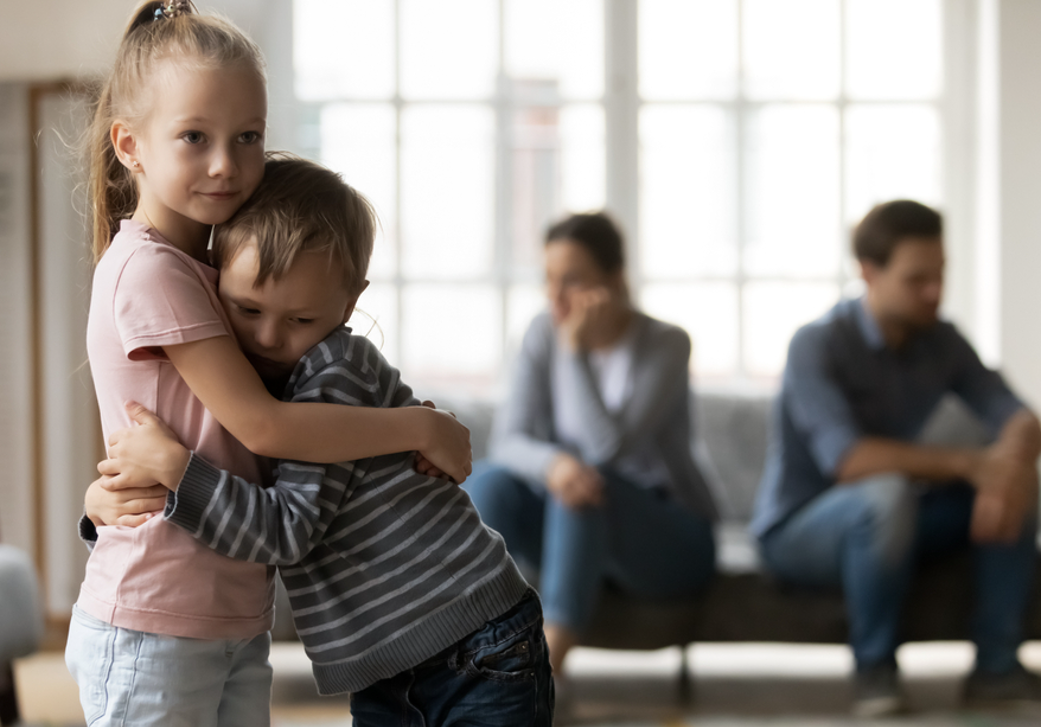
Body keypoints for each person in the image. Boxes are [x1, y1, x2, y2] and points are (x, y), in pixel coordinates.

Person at [69, 3, 470, 725]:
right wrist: (415, 427)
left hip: (227, 613)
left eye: (248, 136)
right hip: (156, 615)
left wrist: (95, 512)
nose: (227, 163)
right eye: (195, 136)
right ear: (129, 144)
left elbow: (203, 430)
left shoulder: (215, 267)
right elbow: (263, 426)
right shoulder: (152, 270)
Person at [84, 155, 554, 726]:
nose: (266, 337)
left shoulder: (335, 373)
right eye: (247, 308)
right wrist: (104, 503)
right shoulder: (258, 383)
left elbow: (285, 530)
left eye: (300, 320)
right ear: (213, 281)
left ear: (350, 302)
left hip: (474, 642)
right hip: (391, 661)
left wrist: (179, 471)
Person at [751, 199, 1041, 717]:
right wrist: (972, 463)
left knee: (1020, 482)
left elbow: (1014, 412)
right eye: (916, 279)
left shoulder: (941, 340)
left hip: (898, 516)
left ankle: (996, 668)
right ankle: (875, 671)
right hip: (801, 530)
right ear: (868, 272)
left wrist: (1008, 468)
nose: (935, 292)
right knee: (884, 493)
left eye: (941, 275)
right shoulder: (816, 344)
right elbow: (850, 460)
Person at [464, 212, 719, 686]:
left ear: (615, 281)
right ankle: (474, 647)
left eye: (572, 281)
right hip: (582, 531)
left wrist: (575, 351)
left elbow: (608, 449)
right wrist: (554, 463)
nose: (554, 297)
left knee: (584, 484)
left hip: (671, 538)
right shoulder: (542, 332)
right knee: (491, 480)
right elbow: (508, 440)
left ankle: (542, 677)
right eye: (548, 280)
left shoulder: (666, 344)